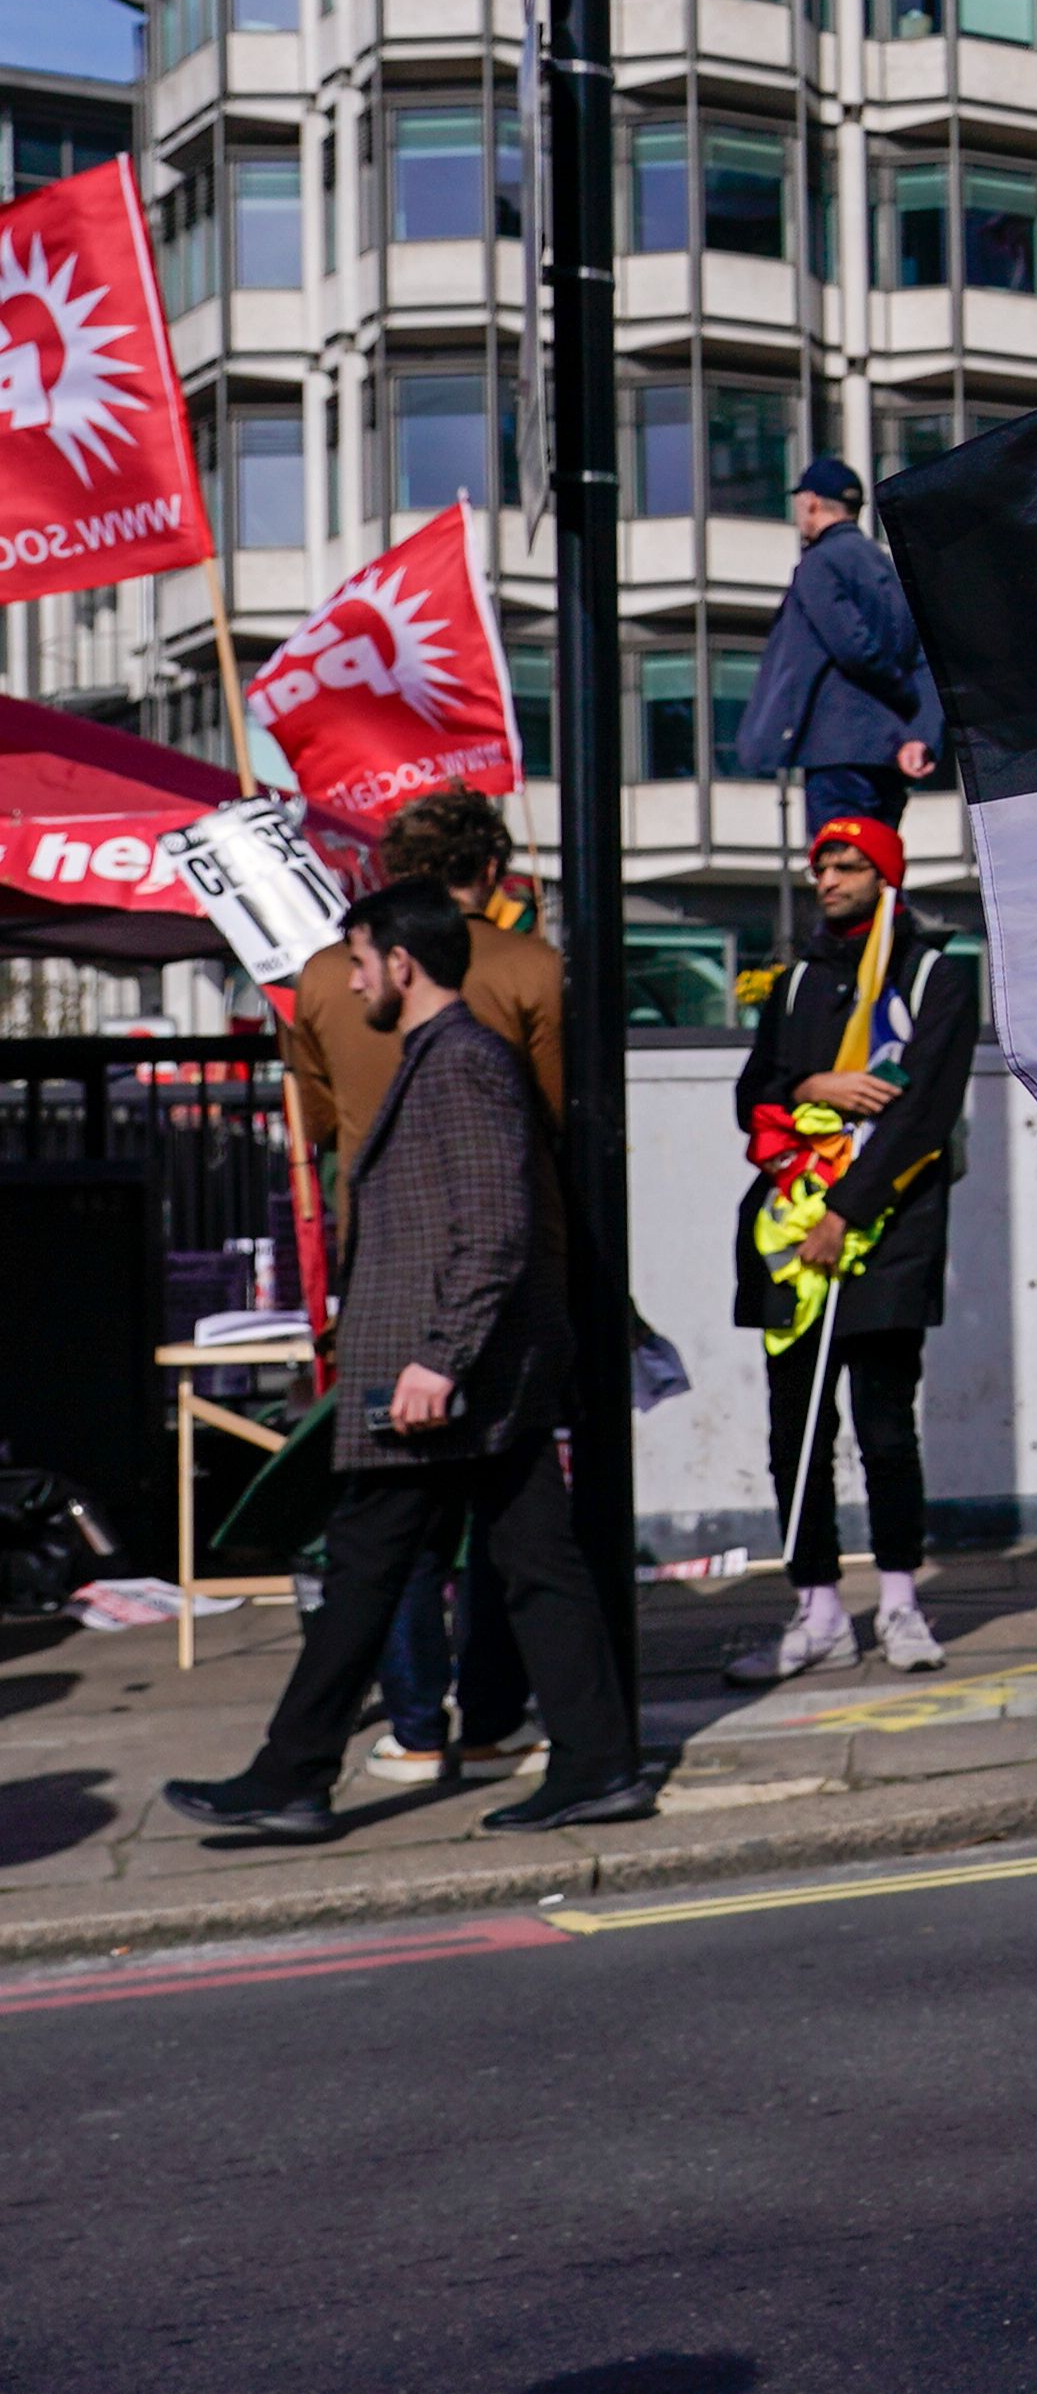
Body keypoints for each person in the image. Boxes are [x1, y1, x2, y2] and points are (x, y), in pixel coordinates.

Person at [158, 884, 651, 1845]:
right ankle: (597, 1765)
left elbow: (497, 1230)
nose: (351, 980)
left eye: (358, 961)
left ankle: (293, 1774)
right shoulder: (440, 1058)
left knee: (374, 1567)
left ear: (402, 963)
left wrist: (438, 1359)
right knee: (512, 1566)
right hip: (462, 1380)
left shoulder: (463, 1062)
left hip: (445, 1384)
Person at [278, 785, 564, 1793]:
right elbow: (554, 1129)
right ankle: (493, 1718)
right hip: (499, 1280)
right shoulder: (527, 966)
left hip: (379, 1272)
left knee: (388, 1532)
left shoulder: (319, 978)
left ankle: (408, 1724)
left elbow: (315, 1125)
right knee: (501, 1523)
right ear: (489, 871)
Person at [727, 813, 983, 1682]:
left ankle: (902, 1600)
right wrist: (813, 1082)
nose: (829, 880)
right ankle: (818, 1609)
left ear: (885, 874)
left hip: (890, 1234)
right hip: (791, 1236)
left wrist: (848, 1210)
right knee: (794, 1428)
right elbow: (751, 1095)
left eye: (847, 865)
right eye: (821, 867)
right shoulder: (795, 979)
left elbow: (924, 1112)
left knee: (883, 1425)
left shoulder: (935, 974)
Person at [732, 456, 945, 842]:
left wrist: (900, 689)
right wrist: (921, 734)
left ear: (811, 502)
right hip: (891, 754)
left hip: (838, 752)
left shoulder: (820, 564)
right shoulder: (887, 567)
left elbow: (852, 647)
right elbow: (926, 660)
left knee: (843, 867)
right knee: (881, 870)